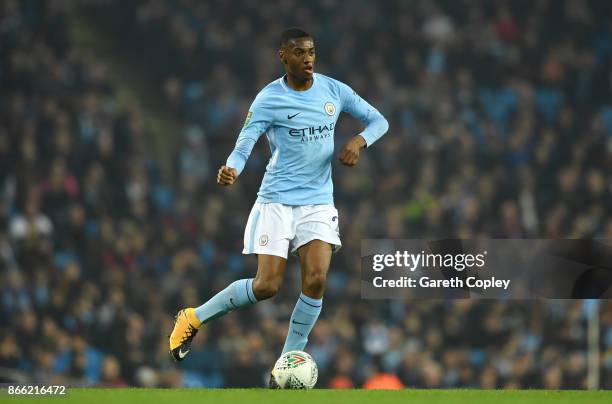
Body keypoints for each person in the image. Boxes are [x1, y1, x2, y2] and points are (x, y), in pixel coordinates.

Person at [169, 27, 389, 385]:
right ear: (283, 57)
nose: (308, 59)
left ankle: (285, 364)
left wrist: (360, 141)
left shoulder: (334, 90)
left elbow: (380, 120)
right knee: (267, 286)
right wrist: (232, 170)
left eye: (312, 52)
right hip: (276, 202)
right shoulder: (269, 99)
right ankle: (192, 318)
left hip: (317, 202)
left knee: (316, 280)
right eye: (300, 53)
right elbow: (244, 145)